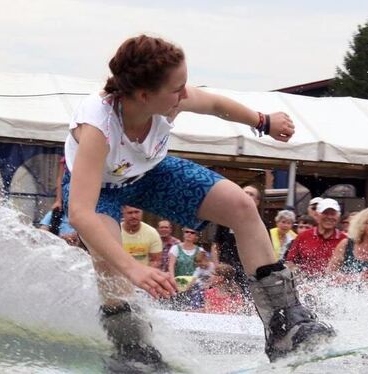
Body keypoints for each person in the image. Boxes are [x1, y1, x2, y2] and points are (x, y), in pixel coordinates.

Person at [64, 35, 334, 366]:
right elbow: (80, 213)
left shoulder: (172, 100)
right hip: (99, 189)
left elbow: (218, 106)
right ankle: (131, 349)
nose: (184, 93)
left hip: (150, 173)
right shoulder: (98, 125)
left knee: (241, 205)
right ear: (145, 95)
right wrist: (133, 267)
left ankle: (285, 323)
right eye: (177, 88)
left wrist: (263, 121)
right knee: (109, 258)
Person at [211, 184, 262, 295]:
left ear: (257, 202)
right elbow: (215, 245)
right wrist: (217, 267)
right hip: (226, 269)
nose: (247, 195)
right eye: (245, 193)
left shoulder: (261, 225)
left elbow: (262, 251)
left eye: (251, 194)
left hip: (247, 272)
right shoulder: (225, 219)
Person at [326, 207, 368, 278]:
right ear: (362, 225)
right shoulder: (346, 244)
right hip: (345, 287)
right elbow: (330, 273)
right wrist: (357, 278)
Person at [286, 198, 347, 276]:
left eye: (333, 214)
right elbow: (290, 262)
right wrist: (300, 275)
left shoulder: (344, 240)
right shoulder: (303, 236)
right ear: (317, 215)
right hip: (304, 284)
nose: (329, 217)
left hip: (333, 285)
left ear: (338, 217)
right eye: (325, 213)